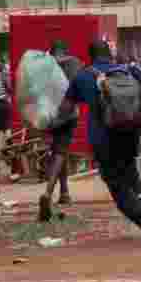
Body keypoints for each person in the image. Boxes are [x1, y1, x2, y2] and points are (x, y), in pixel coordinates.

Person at [56, 39, 141, 246]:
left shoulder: (84, 75)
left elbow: (64, 110)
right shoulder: (129, 70)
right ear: (110, 54)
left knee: (118, 188)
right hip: (131, 133)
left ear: (90, 57)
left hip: (103, 139)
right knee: (130, 171)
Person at [38, 41, 83, 222]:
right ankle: (48, 192)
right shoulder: (74, 62)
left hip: (49, 114)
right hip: (68, 113)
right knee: (60, 152)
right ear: (66, 51)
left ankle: (64, 192)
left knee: (59, 150)